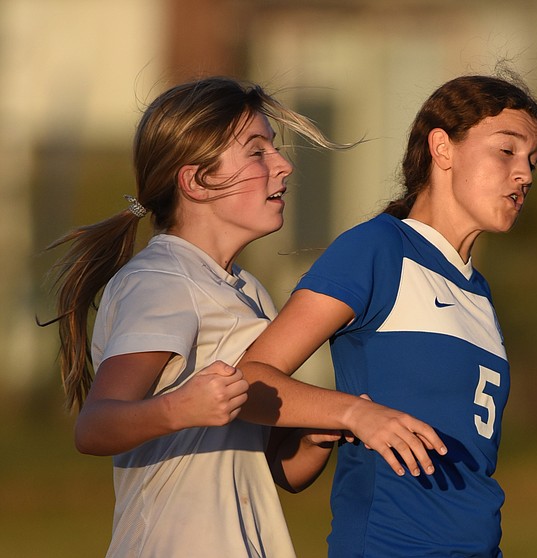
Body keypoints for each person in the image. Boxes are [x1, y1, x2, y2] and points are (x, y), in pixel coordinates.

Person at [44, 76, 445, 558]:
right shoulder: (160, 279)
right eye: (257, 151)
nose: (284, 165)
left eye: (273, 148)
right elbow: (94, 427)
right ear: (195, 181)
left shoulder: (248, 291)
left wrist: (318, 436)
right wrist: (179, 408)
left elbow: (280, 471)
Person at [236, 73, 537, 557]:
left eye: (532, 159)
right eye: (506, 151)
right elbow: (250, 380)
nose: (526, 174)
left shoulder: (480, 293)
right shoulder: (378, 248)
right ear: (442, 149)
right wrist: (351, 413)